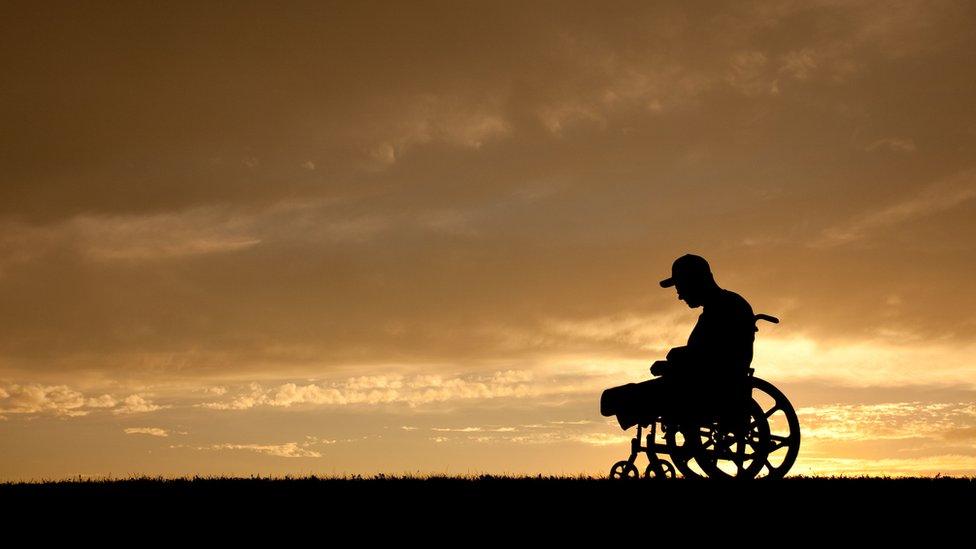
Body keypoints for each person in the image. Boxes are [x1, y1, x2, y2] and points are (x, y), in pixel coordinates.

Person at [600, 254, 756, 430]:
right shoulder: (724, 305)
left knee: (616, 398)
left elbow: (716, 355)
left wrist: (675, 359)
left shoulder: (725, 307)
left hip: (709, 387)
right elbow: (708, 353)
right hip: (704, 381)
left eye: (680, 287)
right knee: (616, 399)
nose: (680, 296)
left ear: (695, 281)